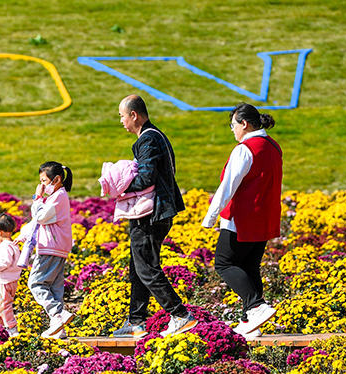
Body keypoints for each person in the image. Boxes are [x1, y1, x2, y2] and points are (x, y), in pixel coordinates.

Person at [111, 94, 196, 339]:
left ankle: (180, 314)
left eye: (122, 115)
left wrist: (119, 186)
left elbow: (146, 177)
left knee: (146, 266)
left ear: (134, 115)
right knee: (138, 267)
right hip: (159, 211)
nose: (121, 121)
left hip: (151, 214)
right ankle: (136, 321)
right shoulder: (155, 135)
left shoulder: (148, 139)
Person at [201, 102, 282, 340]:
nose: (232, 131)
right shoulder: (273, 146)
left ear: (244, 124)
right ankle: (250, 321)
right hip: (264, 218)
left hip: (242, 219)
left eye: (233, 125)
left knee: (224, 264)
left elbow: (228, 186)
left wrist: (210, 216)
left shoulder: (245, 149)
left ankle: (256, 306)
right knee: (249, 267)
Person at [19, 161, 75, 339]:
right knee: (54, 287)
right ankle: (58, 328)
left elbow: (40, 217)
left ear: (56, 179)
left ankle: (59, 313)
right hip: (57, 247)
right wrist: (23, 234)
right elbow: (37, 222)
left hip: (50, 247)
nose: (41, 185)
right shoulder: (57, 196)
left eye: (44, 181)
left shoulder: (58, 197)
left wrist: (37, 198)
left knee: (35, 283)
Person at [0, 213, 23, 338]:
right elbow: (1, 258)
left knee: (4, 304)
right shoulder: (13, 244)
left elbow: (3, 262)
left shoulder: (5, 246)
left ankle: (11, 328)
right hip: (11, 280)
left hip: (4, 281)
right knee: (0, 303)